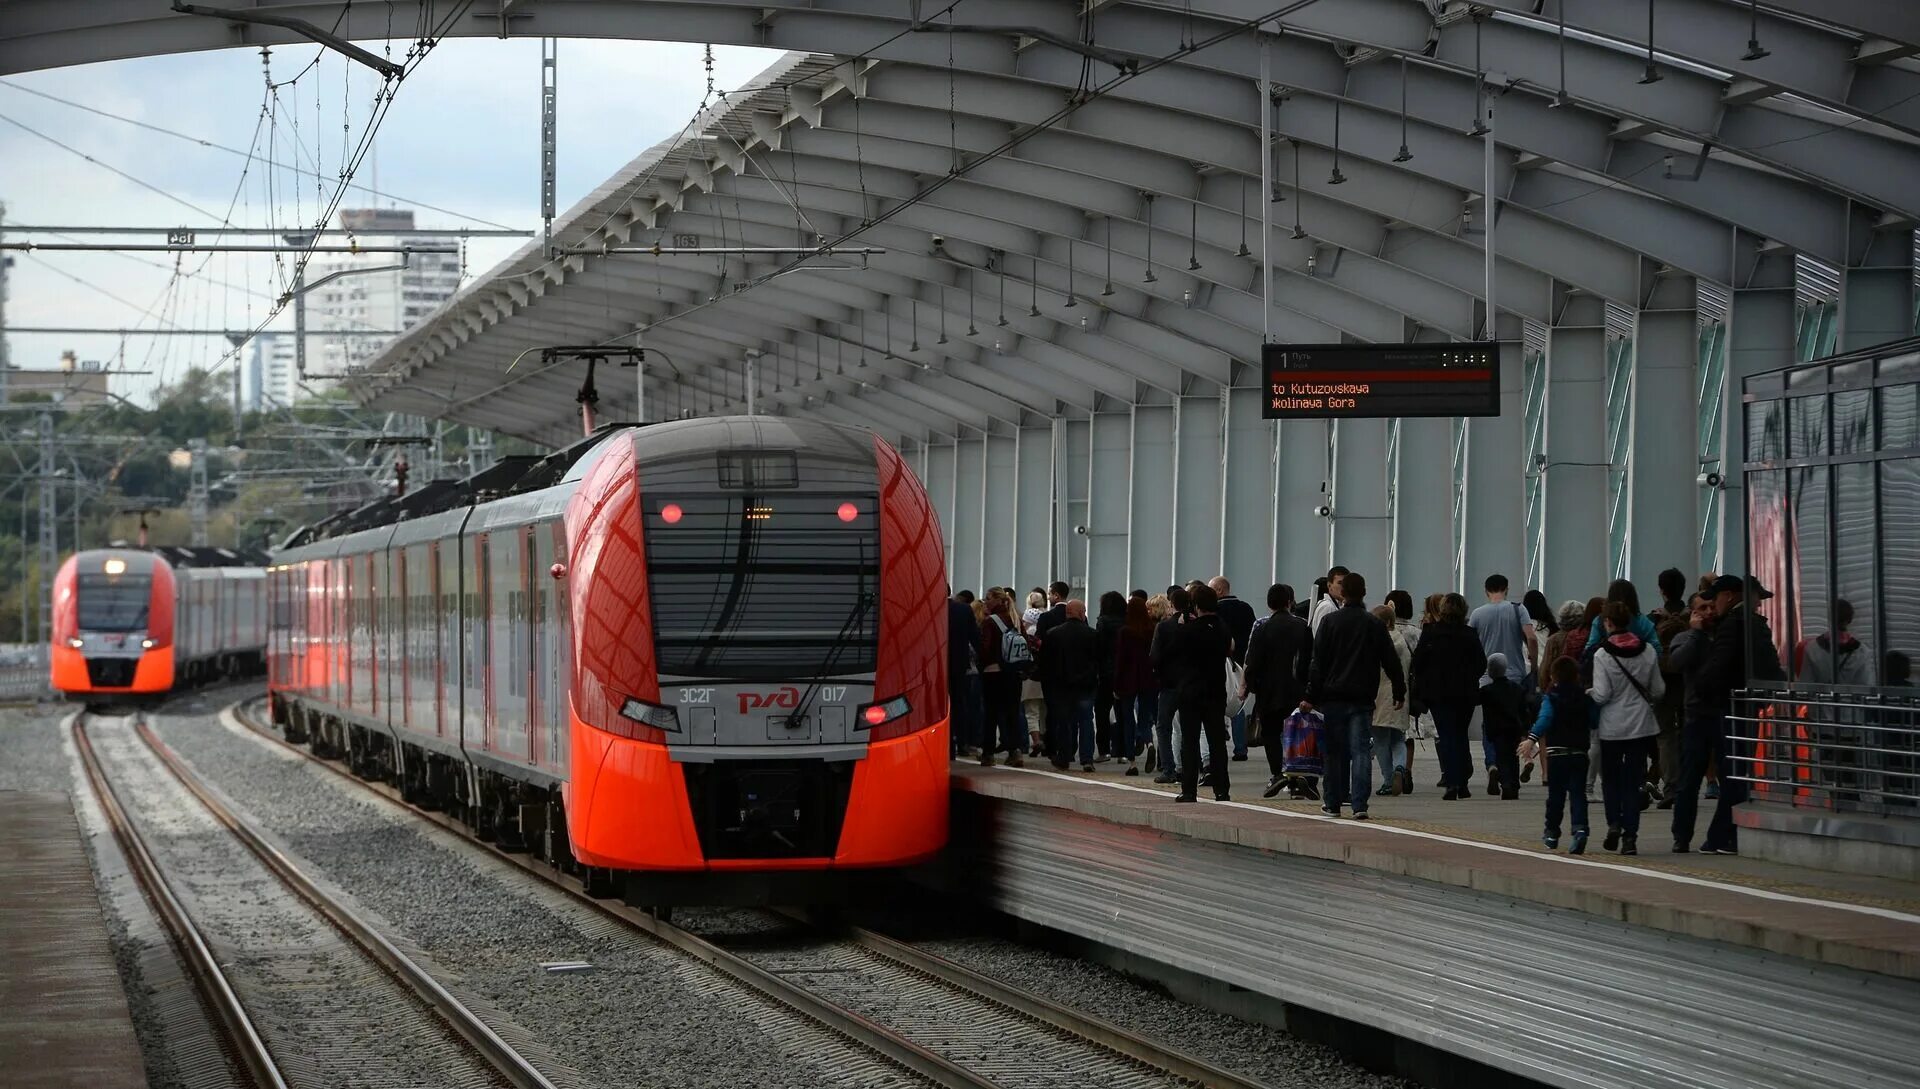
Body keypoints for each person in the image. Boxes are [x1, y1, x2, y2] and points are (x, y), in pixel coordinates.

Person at [1692, 575, 1785, 854]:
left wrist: (1702, 690)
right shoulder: (1746, 624)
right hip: (1745, 706)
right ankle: (1724, 837)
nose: (1759, 604)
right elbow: (1768, 665)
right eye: (1759, 598)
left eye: (1715, 598)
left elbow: (1718, 665)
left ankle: (1722, 837)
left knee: (1733, 771)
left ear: (1729, 596)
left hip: (1733, 708)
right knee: (1737, 770)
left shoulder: (1733, 624)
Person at [1300, 572, 1405, 819]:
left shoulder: (1330, 622)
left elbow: (1318, 663)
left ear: (1343, 593)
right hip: (1362, 697)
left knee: (1334, 751)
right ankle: (1359, 805)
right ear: (1364, 593)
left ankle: (1333, 802)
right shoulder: (1374, 624)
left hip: (1333, 697)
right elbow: (1390, 661)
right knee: (1360, 751)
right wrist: (1399, 690)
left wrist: (1310, 695)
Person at [1591, 600, 1665, 855]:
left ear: (1607, 623)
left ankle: (1614, 823)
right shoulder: (1648, 651)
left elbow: (1602, 695)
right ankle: (1630, 837)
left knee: (1610, 780)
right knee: (1634, 781)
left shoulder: (1602, 654)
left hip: (1612, 726)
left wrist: (1589, 692)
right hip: (1641, 725)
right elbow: (1658, 690)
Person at [1412, 592, 1487, 800]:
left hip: (1438, 693)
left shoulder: (1430, 633)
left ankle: (1451, 781)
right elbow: (1481, 663)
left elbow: (1418, 663)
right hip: (1464, 693)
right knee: (1460, 734)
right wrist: (1469, 677)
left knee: (1446, 735)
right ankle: (1462, 782)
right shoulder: (1470, 634)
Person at [1470, 574, 1539, 795]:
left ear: (1486, 590)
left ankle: (1492, 764)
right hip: (1515, 677)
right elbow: (1532, 637)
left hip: (1487, 678)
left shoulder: (1478, 614)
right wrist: (1534, 663)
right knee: (1515, 724)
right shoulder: (1518, 609)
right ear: (1506, 589)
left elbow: (1471, 644)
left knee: (1490, 726)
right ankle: (1512, 775)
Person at [1243, 583, 1313, 799]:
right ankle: (1298, 776)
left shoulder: (1262, 628)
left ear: (1268, 603)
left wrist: (1251, 686)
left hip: (1269, 690)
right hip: (1296, 689)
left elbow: (1252, 661)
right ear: (1290, 602)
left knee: (1271, 733)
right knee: (1297, 734)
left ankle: (1277, 772)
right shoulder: (1303, 627)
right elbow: (1309, 661)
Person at [1520, 657, 1596, 853]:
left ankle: (1552, 833)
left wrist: (1531, 738)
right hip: (1579, 752)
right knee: (1578, 794)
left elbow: (1545, 719)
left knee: (1556, 796)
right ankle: (1580, 830)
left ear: (1553, 677)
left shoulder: (1551, 698)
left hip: (1556, 754)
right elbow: (1595, 720)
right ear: (1576, 676)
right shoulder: (1585, 698)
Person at [1667, 592, 1720, 851]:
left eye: (1712, 607)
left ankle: (1721, 835)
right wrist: (1697, 634)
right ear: (1692, 612)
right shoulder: (1685, 638)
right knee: (1688, 780)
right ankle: (1682, 835)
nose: (1709, 612)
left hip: (1721, 713)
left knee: (1729, 778)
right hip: (1695, 715)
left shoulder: (1724, 636)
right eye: (1702, 608)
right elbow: (1676, 662)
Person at [1171, 584, 1234, 802]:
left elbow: (1175, 657)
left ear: (1195, 606)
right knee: (1217, 742)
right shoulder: (1223, 629)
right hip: (1216, 690)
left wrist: (1181, 626)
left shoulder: (1186, 631)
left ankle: (1189, 790)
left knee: (1189, 741)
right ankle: (1222, 789)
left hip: (1190, 691)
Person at [1039, 600, 1101, 770]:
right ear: (1081, 613)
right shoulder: (1092, 634)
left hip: (1061, 686)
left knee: (1064, 722)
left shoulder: (1053, 634)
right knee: (1086, 721)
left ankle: (1065, 755)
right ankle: (1087, 759)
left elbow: (1046, 662)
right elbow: (1098, 661)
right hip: (1085, 685)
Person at [976, 590, 1027, 768]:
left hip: (993, 673)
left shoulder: (990, 622)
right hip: (1013, 673)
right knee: (1012, 712)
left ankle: (988, 753)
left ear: (998, 599)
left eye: (988, 599)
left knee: (991, 713)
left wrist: (980, 664)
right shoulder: (1015, 619)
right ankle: (1016, 751)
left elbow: (985, 649)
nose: (985, 603)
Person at [1370, 604, 1416, 797]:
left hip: (1380, 696)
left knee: (1380, 741)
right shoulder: (1402, 642)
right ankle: (1400, 767)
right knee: (1398, 738)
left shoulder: (1377, 644)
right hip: (1400, 694)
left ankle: (1389, 780)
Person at [1211, 576, 1257, 761]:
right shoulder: (1246, 608)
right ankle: (1240, 748)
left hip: (1223, 662)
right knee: (1238, 705)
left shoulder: (1216, 611)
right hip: (1242, 663)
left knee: (1218, 703)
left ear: (1220, 591)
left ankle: (1218, 743)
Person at [1147, 588, 1189, 784]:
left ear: (1171, 604)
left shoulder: (1164, 627)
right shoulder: (1197, 624)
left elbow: (1154, 657)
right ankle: (1190, 768)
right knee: (1191, 727)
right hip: (1191, 683)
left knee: (1163, 726)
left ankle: (1168, 769)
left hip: (1169, 684)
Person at [1112, 596, 1158, 776]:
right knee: (1145, 716)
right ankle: (1149, 742)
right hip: (1148, 679)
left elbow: (1120, 659)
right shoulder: (1151, 629)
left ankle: (1132, 763)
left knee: (1127, 718)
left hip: (1128, 679)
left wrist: (1116, 685)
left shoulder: (1125, 631)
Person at [1480, 652, 1528, 800]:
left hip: (1496, 729)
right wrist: (1525, 728)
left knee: (1501, 757)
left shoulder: (1487, 691)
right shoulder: (1517, 689)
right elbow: (1523, 710)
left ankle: (1506, 783)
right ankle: (1514, 784)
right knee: (1514, 757)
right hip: (1514, 728)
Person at [1795, 599, 1872, 686]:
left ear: (1829, 617)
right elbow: (1864, 687)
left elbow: (1806, 684)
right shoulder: (1862, 652)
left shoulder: (1812, 648)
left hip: (1821, 698)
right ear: (1850, 620)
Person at [1094, 591, 1128, 759]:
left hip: (1106, 671)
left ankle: (1103, 749)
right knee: (1122, 710)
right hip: (1123, 671)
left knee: (1102, 710)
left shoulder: (1103, 622)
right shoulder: (1127, 621)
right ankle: (1121, 750)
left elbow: (1099, 647)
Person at [948, 591, 981, 758]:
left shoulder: (930, 608)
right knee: (959, 705)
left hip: (934, 666)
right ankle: (962, 744)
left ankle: (946, 746)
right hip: (958, 665)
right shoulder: (963, 610)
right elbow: (974, 637)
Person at [1020, 589, 1050, 755]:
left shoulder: (1026, 634)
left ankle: (1036, 741)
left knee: (1031, 712)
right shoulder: (1046, 631)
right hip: (1044, 675)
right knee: (1045, 711)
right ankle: (1045, 740)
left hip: (1030, 676)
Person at [1309, 565, 1349, 635]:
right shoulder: (1328, 607)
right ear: (1329, 585)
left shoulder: (1335, 605)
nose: (1343, 587)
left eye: (1346, 583)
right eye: (1340, 583)